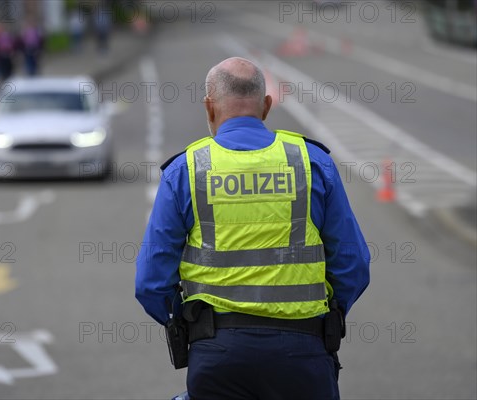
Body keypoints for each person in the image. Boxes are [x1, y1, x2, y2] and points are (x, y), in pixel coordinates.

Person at [135, 57, 370, 399]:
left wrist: (189, 324)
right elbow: (353, 265)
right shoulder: (311, 162)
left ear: (209, 107)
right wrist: (323, 317)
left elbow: (151, 283)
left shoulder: (186, 170)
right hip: (303, 352)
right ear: (267, 106)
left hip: (218, 355)